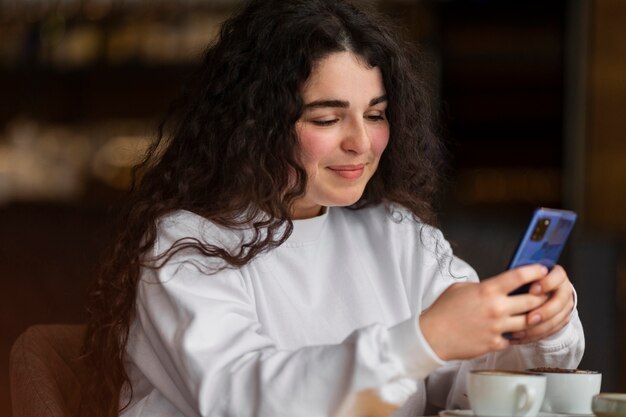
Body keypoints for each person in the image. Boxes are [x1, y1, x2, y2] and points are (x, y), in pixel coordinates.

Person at [82, 0, 584, 416]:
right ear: (254, 124)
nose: (362, 143)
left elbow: (466, 389)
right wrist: (424, 337)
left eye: (376, 114)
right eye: (327, 118)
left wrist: (532, 331)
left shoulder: (396, 234)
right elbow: (243, 399)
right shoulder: (186, 244)